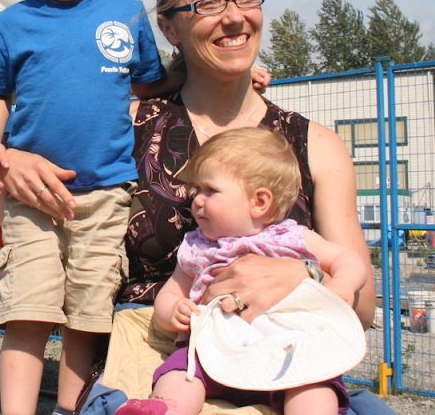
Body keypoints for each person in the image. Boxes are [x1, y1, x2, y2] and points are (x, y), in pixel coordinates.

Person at [0, 0, 386, 414]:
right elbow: (31, 152)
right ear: (169, 28)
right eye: (207, 4)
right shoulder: (124, 126)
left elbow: (361, 309)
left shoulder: (315, 145)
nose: (234, 17)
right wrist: (13, 158)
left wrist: (301, 276)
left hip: (278, 370)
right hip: (149, 372)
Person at [0, 0, 177, 415]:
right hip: (30, 197)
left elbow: (150, 83)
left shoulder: (127, 12)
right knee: (27, 310)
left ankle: (70, 409)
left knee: (87, 314)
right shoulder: (13, 23)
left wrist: (224, 70)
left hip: (107, 192)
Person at [117, 127, 369, 415]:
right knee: (180, 373)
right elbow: (172, 291)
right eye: (197, 189)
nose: (196, 199)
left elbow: (348, 260)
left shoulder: (293, 238)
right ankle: (167, 408)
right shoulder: (198, 246)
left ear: (259, 202)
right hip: (212, 350)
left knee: (315, 385)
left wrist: (343, 286)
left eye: (210, 190)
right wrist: (173, 311)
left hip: (288, 350)